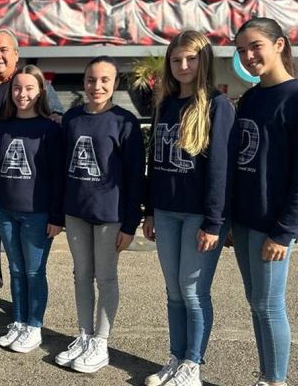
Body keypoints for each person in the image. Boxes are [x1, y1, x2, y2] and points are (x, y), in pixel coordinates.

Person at [141, 31, 236, 386]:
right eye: (177, 59)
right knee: (173, 292)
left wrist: (214, 222)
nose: (183, 65)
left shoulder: (217, 105)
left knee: (194, 293)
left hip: (200, 216)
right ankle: (175, 357)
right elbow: (155, 162)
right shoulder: (165, 104)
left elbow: (220, 170)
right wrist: (149, 210)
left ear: (204, 61)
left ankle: (192, 365)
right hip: (166, 213)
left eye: (191, 58)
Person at [55, 56, 144, 373]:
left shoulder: (125, 122)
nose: (97, 86)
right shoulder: (72, 118)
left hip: (110, 215)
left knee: (105, 278)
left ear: (115, 83)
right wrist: (58, 212)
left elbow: (136, 177)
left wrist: (130, 223)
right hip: (76, 211)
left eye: (105, 80)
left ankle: (100, 342)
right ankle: (83, 334)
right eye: (92, 80)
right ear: (84, 82)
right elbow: (61, 170)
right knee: (81, 275)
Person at [0, 29, 63, 315]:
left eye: (3, 49)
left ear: (16, 54)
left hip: (26, 180)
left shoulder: (31, 83)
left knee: (24, 256)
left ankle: (25, 307)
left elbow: (57, 118)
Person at [231, 17, 296, 386]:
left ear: (279, 45)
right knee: (256, 303)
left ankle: (275, 381)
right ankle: (266, 374)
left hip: (273, 224)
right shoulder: (252, 98)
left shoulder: (294, 97)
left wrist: (284, 231)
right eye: (242, 50)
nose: (249, 55)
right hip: (244, 220)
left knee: (270, 307)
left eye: (255, 46)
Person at [0, 65, 63, 353]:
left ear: (41, 91)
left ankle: (34, 325)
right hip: (6, 211)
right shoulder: (1, 128)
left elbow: (57, 177)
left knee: (34, 272)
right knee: (16, 270)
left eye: (29, 88)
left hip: (38, 214)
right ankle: (18, 321)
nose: (22, 94)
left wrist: (56, 216)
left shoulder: (51, 129)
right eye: (17, 88)